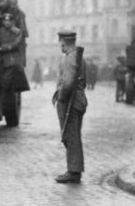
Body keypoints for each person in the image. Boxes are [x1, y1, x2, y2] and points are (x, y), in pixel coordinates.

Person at [52, 30, 88, 184]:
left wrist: (61, 99)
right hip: (77, 99)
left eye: (60, 42)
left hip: (71, 102)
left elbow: (67, 83)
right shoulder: (78, 57)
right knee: (73, 135)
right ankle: (74, 169)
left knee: (71, 136)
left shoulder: (71, 58)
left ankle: (73, 171)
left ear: (63, 43)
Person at [0, 13, 30, 94]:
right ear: (3, 21)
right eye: (5, 20)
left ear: (12, 21)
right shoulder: (0, 31)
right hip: (1, 56)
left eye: (9, 20)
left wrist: (2, 47)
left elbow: (15, 44)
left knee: (10, 78)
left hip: (12, 56)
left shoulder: (17, 31)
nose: (7, 22)